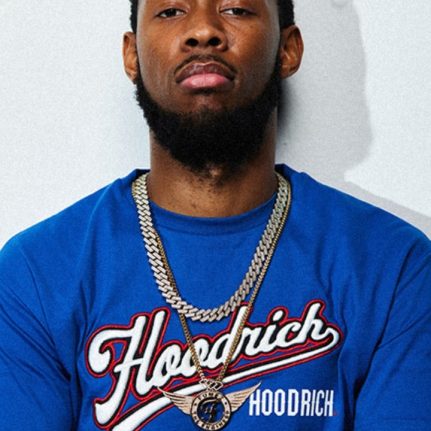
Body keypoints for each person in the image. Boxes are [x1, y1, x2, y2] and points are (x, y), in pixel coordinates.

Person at [1, 0, 430, 430]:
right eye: (171, 11)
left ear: (287, 49)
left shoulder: (393, 265)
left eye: (236, 9)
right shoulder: (37, 272)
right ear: (132, 56)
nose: (203, 31)